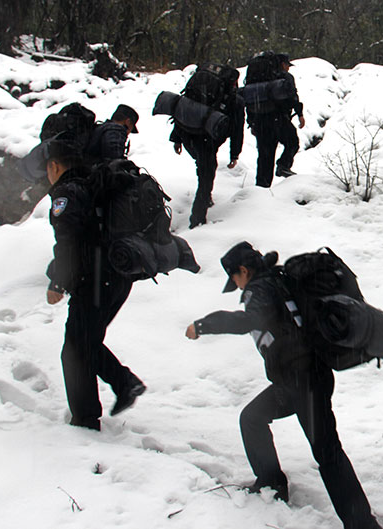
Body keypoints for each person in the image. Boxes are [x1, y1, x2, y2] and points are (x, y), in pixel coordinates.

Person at [185, 241, 382, 529]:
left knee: (328, 453)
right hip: (303, 378)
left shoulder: (259, 288)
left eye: (236, 280)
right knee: (252, 418)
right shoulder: (278, 280)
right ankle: (271, 483)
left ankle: (362, 524)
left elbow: (249, 320)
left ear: (243, 270)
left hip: (302, 380)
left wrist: (203, 325)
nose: (238, 288)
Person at [44, 134, 146, 431]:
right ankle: (123, 384)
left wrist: (57, 283)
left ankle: (87, 418)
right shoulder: (94, 182)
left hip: (95, 281)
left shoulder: (67, 194)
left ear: (54, 165)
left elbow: (68, 244)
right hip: (119, 276)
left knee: (74, 349)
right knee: (84, 342)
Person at [170, 66, 245, 229]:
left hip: (187, 133)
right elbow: (237, 130)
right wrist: (235, 154)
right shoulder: (234, 101)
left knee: (204, 165)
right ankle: (197, 220)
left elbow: (184, 109)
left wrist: (176, 138)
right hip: (206, 139)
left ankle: (206, 197)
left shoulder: (202, 92)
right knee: (207, 174)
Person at [250, 53, 305, 188]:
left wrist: (251, 122)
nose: (288, 68)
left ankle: (262, 188)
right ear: (282, 64)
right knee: (292, 142)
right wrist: (299, 113)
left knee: (265, 156)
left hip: (260, 121)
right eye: (287, 65)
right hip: (278, 118)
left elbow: (249, 100)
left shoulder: (256, 79)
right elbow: (293, 96)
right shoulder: (284, 78)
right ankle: (283, 166)